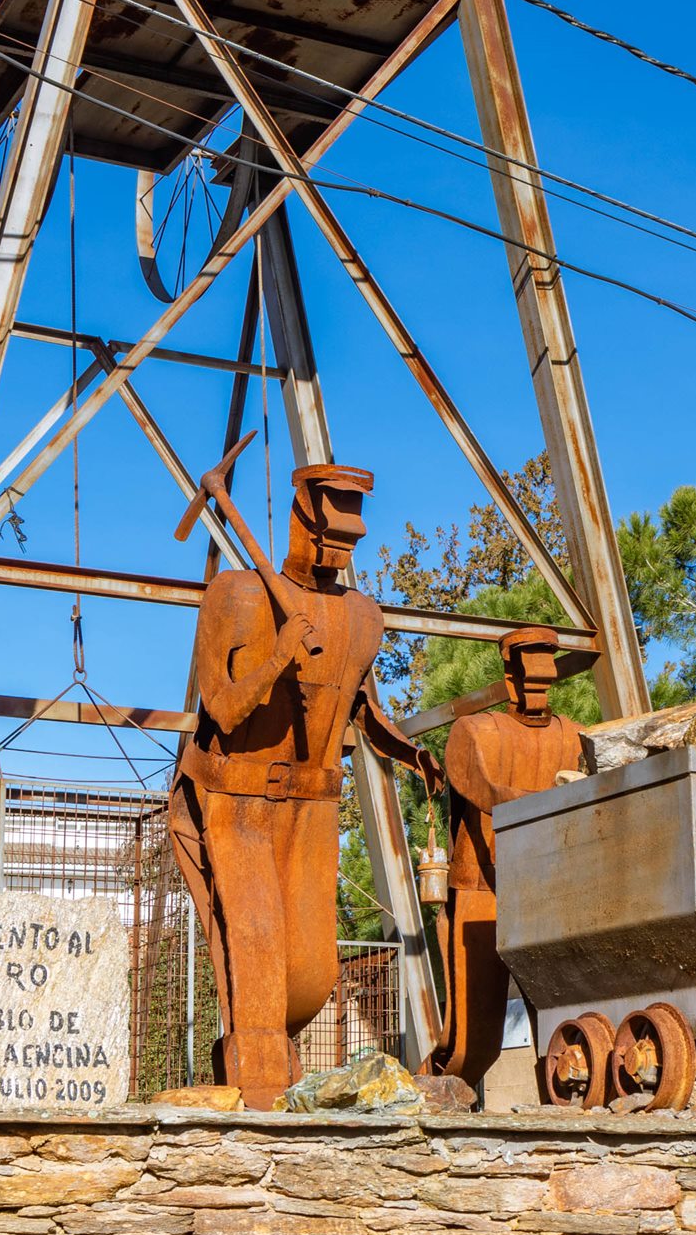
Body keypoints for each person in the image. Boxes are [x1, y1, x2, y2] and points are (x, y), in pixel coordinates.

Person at [167, 463, 440, 1109]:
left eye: (350, 543)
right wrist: (277, 658)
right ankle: (257, 1090)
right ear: (302, 519)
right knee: (259, 969)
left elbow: (365, 707)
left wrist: (410, 753)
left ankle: (264, 1068)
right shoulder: (233, 596)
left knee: (310, 980)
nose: (339, 555)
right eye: (331, 536)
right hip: (236, 799)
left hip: (314, 802)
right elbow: (224, 709)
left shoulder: (360, 618)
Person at [426, 625, 585, 1088]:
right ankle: (443, 1090)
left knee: (564, 1020)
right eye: (528, 677)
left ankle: (567, 1092)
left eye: (546, 678)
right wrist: (557, 799)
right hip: (481, 887)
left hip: (551, 889)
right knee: (472, 1040)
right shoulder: (473, 731)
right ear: (510, 678)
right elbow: (483, 790)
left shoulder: (576, 735)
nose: (537, 688)